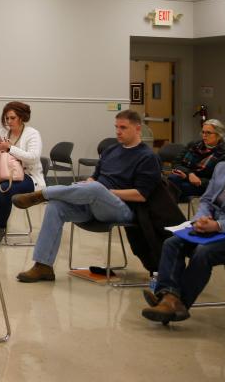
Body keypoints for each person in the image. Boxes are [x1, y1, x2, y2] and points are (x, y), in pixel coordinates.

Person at [14, 109, 161, 283]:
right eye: (116, 127)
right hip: (93, 202)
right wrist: (88, 183)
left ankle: (43, 194)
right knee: (56, 207)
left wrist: (105, 191)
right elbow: (95, 177)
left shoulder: (148, 157)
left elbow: (141, 195)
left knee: (96, 188)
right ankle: (43, 266)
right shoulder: (111, 150)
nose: (118, 132)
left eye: (123, 128)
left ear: (138, 129)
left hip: (122, 208)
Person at [142, 159, 225, 323]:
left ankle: (174, 303)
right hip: (210, 225)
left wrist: (218, 225)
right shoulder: (223, 167)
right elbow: (206, 199)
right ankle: (168, 295)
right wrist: (200, 219)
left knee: (203, 252)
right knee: (172, 243)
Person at [0, 101, 44, 247]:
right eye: (6, 118)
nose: (8, 122)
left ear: (22, 118)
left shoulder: (32, 134)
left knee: (4, 189)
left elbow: (33, 156)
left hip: (29, 177)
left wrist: (10, 149)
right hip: (5, 174)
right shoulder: (1, 132)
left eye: (12, 118)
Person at [167, 119, 225, 199]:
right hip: (185, 178)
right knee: (172, 179)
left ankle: (169, 208)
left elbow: (220, 182)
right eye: (203, 132)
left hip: (202, 186)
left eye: (208, 133)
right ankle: (170, 208)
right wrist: (189, 175)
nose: (204, 135)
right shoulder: (194, 145)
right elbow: (176, 163)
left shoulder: (223, 155)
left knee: (171, 187)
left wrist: (199, 180)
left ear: (219, 135)